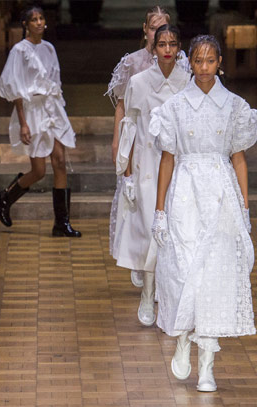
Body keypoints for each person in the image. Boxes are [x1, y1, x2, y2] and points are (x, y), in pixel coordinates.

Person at [151, 35, 257, 392]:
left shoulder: (235, 107)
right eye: (198, 60)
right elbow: (167, 159)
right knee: (183, 270)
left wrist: (244, 207)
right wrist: (160, 210)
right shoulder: (176, 107)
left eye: (210, 61)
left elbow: (238, 158)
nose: (204, 67)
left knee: (216, 277)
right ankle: (184, 337)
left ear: (220, 62)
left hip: (221, 195)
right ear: (190, 63)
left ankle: (208, 365)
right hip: (185, 194)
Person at [112, 24, 189, 327]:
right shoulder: (140, 82)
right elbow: (129, 128)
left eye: (172, 44)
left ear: (179, 47)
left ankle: (169, 295)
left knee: (177, 232)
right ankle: (147, 291)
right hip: (147, 166)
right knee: (149, 231)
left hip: (180, 167)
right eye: (162, 44)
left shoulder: (188, 82)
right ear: (153, 48)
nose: (167, 49)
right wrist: (127, 174)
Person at [106, 6, 189, 260]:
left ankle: (162, 263)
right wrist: (117, 140)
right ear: (145, 30)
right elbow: (123, 105)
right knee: (138, 206)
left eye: (163, 28)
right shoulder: (133, 62)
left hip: (169, 144)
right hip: (141, 140)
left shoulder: (180, 62)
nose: (157, 34)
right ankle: (140, 258)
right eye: (153, 28)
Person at [0, 5, 80, 237]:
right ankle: (5, 197)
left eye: (42, 18)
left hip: (51, 107)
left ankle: (61, 223)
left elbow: (55, 80)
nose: (39, 22)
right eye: (34, 19)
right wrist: (23, 122)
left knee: (60, 161)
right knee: (39, 170)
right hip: (32, 110)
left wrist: (60, 110)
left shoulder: (49, 48)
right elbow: (15, 87)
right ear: (26, 24)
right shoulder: (19, 51)